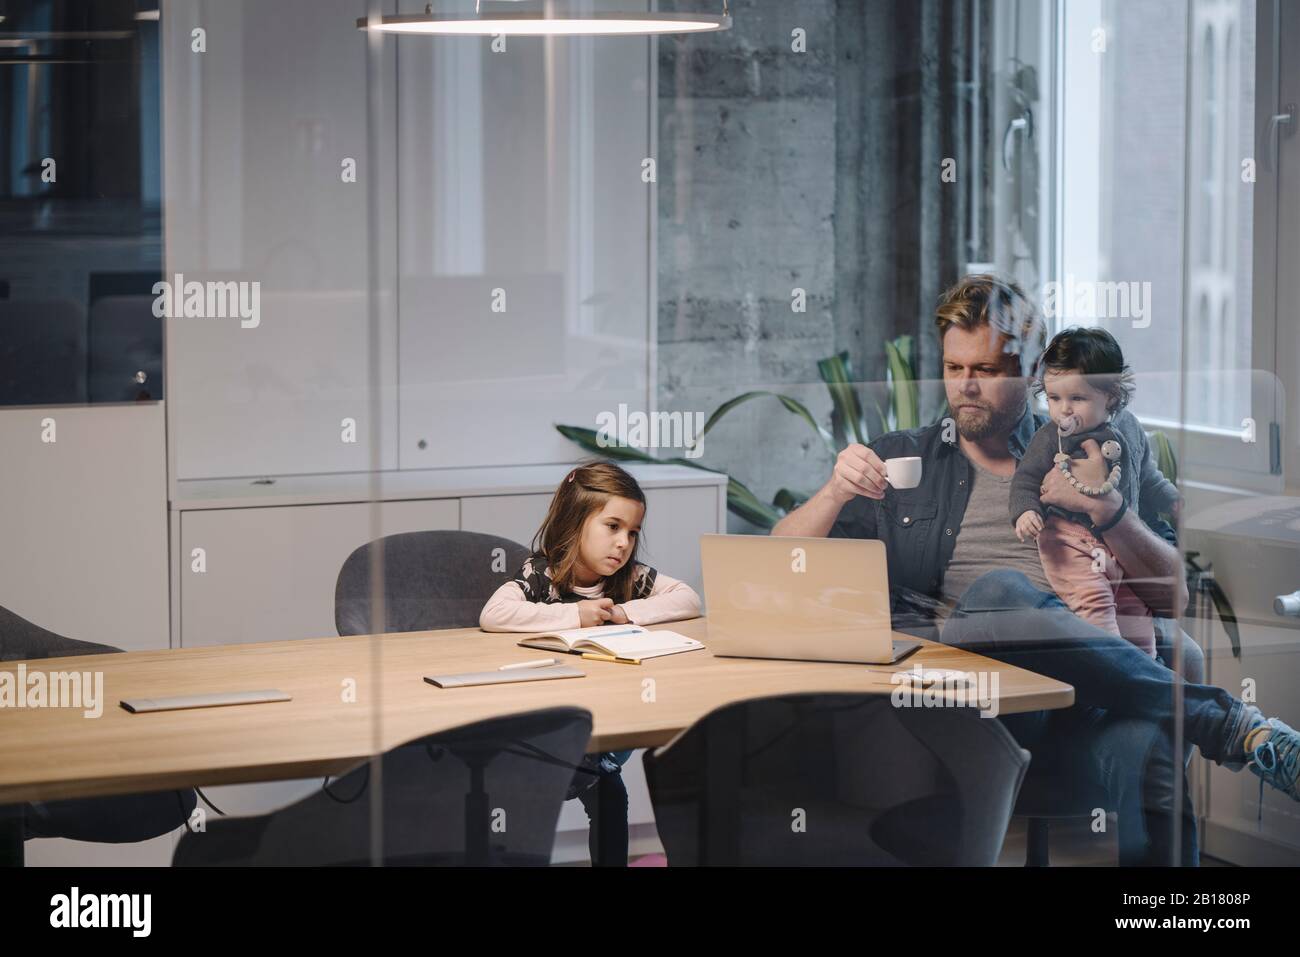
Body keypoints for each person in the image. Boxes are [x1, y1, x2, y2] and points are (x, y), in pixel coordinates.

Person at [772, 273, 1299, 865]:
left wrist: (1111, 512)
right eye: (953, 369)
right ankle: (1229, 724)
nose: (965, 388)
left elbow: (1173, 597)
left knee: (1153, 746)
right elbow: (784, 563)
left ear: (1033, 373)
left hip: (1092, 696)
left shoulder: (1101, 447)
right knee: (1002, 593)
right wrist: (833, 493)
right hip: (981, 709)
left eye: (988, 371)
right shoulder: (902, 457)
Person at [480, 461, 701, 866]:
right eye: (612, 527)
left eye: (633, 533)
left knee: (610, 790)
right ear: (575, 521)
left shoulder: (630, 577)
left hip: (608, 718)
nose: (624, 543)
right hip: (547, 720)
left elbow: (688, 598)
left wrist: (628, 612)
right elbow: (494, 614)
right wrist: (574, 616)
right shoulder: (542, 574)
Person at [1009, 326, 1181, 657]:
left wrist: (1170, 499)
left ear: (1111, 396)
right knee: (1095, 605)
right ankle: (1115, 666)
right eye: (1054, 398)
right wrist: (1026, 511)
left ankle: (1145, 675)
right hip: (1070, 542)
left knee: (1135, 616)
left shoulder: (1128, 430)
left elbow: (1146, 478)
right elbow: (1026, 479)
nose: (1064, 411)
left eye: (1077, 398)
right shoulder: (1049, 437)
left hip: (1116, 545)